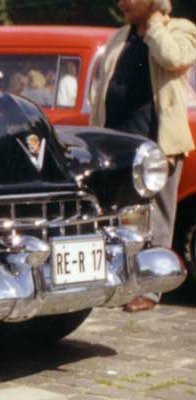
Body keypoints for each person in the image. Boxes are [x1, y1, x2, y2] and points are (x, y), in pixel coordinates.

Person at [89, 0, 196, 312]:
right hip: (116, 142)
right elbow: (103, 87)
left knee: (158, 219)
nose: (121, 3)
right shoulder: (119, 36)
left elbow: (173, 58)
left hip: (157, 144)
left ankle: (150, 291)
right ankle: (117, 283)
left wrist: (154, 25)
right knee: (118, 216)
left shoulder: (181, 30)